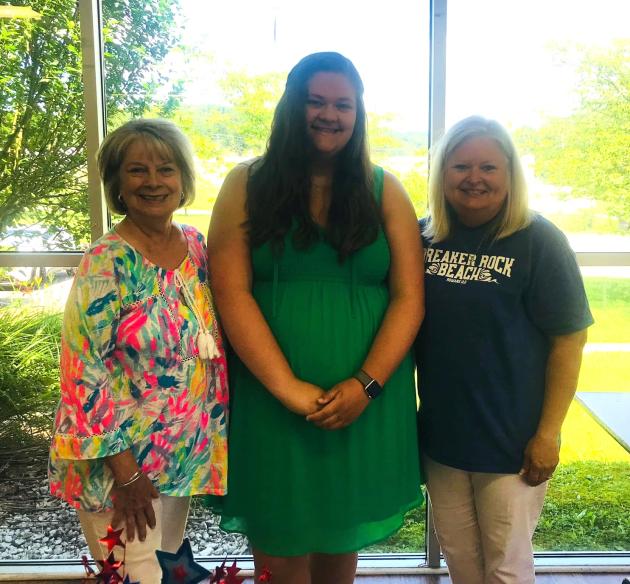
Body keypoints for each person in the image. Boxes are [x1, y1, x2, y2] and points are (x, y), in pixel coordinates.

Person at [207, 51, 424, 584]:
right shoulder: (245, 185)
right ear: (291, 108)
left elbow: (409, 298)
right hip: (271, 401)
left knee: (340, 537)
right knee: (280, 550)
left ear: (358, 114)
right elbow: (231, 292)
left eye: (343, 105)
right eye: (316, 101)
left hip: (366, 404)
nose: (330, 115)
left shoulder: (384, 189)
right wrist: (288, 388)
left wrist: (364, 386)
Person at [48, 118, 229, 584]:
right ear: (117, 184)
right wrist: (127, 476)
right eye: (137, 171)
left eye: (166, 169)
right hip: (119, 469)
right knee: (135, 579)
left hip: (177, 457)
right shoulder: (104, 262)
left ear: (183, 181)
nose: (153, 182)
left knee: (165, 573)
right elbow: (82, 375)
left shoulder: (195, 246)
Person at [416, 115, 593, 584]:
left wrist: (549, 434)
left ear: (510, 174)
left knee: (508, 568)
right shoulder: (422, 238)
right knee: (461, 561)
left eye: (489, 167)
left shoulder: (539, 240)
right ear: (442, 174)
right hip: (443, 438)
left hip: (513, 442)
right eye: (461, 166)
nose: (474, 178)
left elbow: (569, 339)